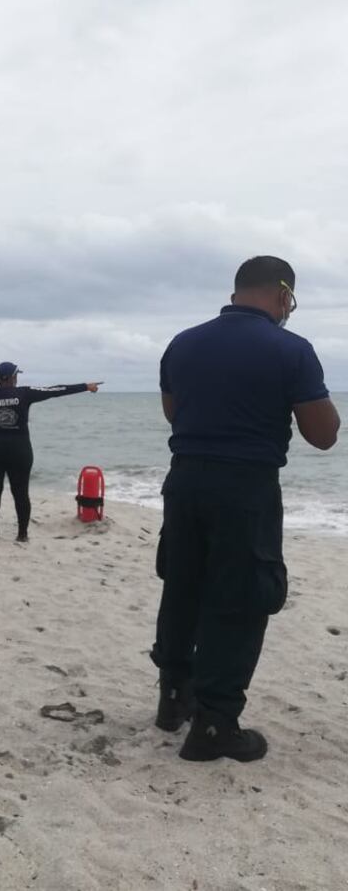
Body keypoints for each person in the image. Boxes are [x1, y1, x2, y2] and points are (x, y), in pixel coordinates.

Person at [152, 255, 339, 763]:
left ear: (236, 292)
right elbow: (323, 435)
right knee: (242, 597)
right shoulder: (291, 349)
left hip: (184, 480)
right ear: (283, 295)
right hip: (246, 485)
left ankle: (174, 697)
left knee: (183, 584)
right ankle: (214, 724)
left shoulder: (182, 343)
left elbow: (173, 412)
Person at [0, 364, 101, 542]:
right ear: (12, 377)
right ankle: (22, 535)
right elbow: (55, 390)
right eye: (16, 375)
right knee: (21, 493)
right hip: (19, 451)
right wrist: (85, 386)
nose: (17, 378)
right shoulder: (24, 393)